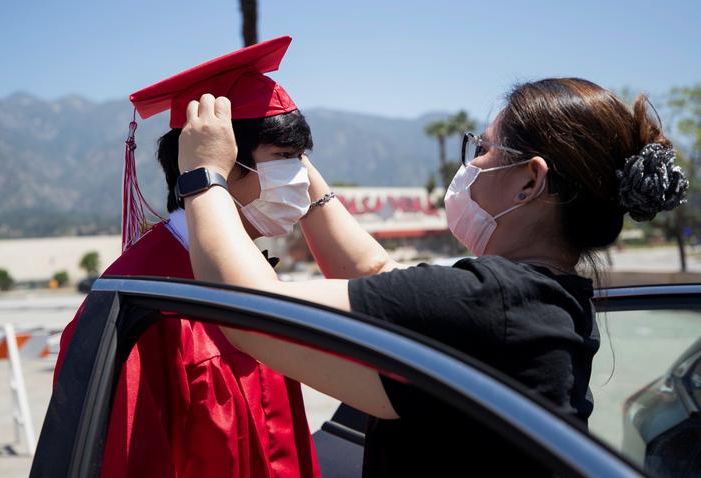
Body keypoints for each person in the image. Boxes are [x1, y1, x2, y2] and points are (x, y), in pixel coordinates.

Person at [173, 77, 689, 476]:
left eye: (483, 150)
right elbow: (378, 276)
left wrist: (203, 176)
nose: (470, 167)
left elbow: (253, 311)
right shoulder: (547, 300)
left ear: (530, 181)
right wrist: (301, 180)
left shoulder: (488, 304)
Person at [54, 37, 321, 478]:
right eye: (282, 159)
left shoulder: (249, 278)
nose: (300, 179)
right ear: (218, 161)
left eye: (301, 160)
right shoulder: (141, 305)